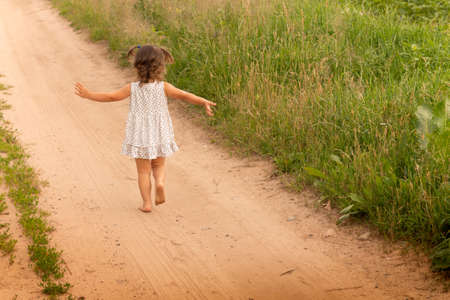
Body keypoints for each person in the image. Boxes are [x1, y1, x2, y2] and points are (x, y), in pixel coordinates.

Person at [74, 45, 216, 213]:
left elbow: (111, 97)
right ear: (161, 66)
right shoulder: (164, 87)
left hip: (140, 134)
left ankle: (147, 203)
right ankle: (160, 183)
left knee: (143, 171)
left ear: (137, 65)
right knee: (159, 165)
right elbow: (185, 95)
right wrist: (203, 102)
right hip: (159, 132)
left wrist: (89, 94)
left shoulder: (132, 88)